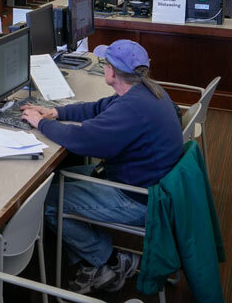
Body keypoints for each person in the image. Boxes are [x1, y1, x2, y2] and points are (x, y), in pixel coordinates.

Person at [21, 40, 183, 295]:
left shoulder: (132, 107)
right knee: (57, 180)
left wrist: (40, 123)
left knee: (46, 201)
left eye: (105, 63)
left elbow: (81, 140)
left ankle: (110, 261)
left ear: (111, 71)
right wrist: (54, 112)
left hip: (138, 199)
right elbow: (98, 108)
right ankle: (98, 255)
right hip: (147, 184)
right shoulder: (144, 89)